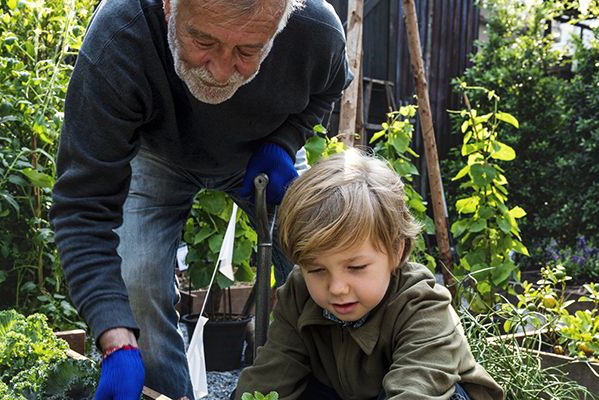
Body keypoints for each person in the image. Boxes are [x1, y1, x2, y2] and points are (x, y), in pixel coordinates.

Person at [50, 0, 352, 397]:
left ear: (280, 27)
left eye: (248, 50)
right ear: (169, 8)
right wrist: (115, 337)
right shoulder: (120, 35)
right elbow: (83, 204)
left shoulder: (314, 27)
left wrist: (284, 141)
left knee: (330, 260)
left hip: (263, 149)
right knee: (137, 285)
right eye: (203, 40)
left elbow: (325, 89)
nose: (222, 70)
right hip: (158, 153)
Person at [232, 149, 504, 400]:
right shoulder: (299, 293)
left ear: (396, 251)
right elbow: (270, 376)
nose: (337, 287)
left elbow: (416, 391)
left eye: (356, 267)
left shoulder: (422, 305)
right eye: (317, 269)